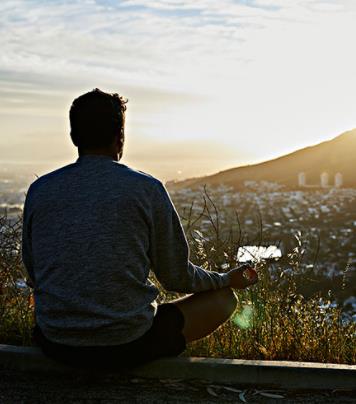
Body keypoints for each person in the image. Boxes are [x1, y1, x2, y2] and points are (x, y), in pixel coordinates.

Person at [22, 88, 258, 372]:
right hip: (128, 345)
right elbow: (176, 276)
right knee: (224, 300)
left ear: (73, 137)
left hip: (56, 344)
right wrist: (224, 279)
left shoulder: (40, 191)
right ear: (120, 136)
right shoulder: (146, 189)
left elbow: (34, 272)